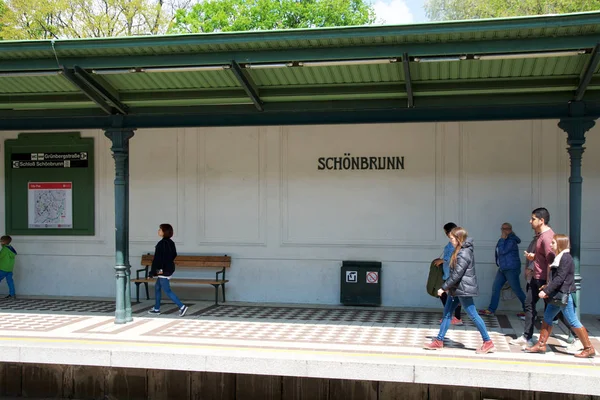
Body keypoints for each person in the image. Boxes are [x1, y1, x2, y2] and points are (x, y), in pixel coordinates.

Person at [424, 227, 495, 354]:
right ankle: (439, 341)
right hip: (456, 289)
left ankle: (488, 342)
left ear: (458, 238)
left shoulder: (464, 253)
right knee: (447, 313)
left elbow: (457, 274)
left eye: (451, 238)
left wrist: (443, 287)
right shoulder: (460, 250)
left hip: (463, 289)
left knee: (473, 314)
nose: (450, 241)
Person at [525, 234, 595, 358]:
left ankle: (588, 348)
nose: (551, 245)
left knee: (572, 320)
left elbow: (560, 278)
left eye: (553, 242)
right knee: (547, 317)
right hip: (558, 295)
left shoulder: (565, 258)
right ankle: (541, 344)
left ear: (560, 244)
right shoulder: (560, 257)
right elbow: (556, 278)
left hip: (564, 295)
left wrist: (546, 291)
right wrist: (547, 288)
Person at [511, 208, 554, 347]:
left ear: (541, 220)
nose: (530, 221)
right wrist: (533, 257)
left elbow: (551, 261)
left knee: (556, 308)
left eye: (533, 218)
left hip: (543, 279)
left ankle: (576, 337)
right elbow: (543, 257)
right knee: (530, 305)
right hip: (537, 276)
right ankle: (527, 337)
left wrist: (549, 283)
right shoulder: (541, 235)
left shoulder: (547, 237)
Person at [479, 223, 526, 319]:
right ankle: (491, 309)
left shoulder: (511, 240)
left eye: (507, 229)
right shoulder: (504, 239)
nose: (504, 231)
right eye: (503, 229)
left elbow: (502, 251)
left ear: (511, 229)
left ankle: (529, 310)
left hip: (511, 269)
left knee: (517, 290)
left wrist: (501, 239)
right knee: (496, 288)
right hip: (503, 268)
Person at [147, 224, 188, 317]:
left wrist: (152, 273)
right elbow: (174, 254)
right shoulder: (171, 243)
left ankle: (182, 306)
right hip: (167, 269)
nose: (158, 231)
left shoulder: (161, 244)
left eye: (160, 229)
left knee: (167, 290)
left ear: (164, 232)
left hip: (162, 270)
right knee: (157, 287)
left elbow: (157, 260)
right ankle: (156, 308)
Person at [432, 222, 462, 325]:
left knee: (451, 295)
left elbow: (455, 256)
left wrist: (443, 261)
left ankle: (453, 317)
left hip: (452, 273)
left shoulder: (457, 242)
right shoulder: (451, 242)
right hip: (447, 272)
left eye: (446, 231)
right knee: (449, 295)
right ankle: (450, 316)